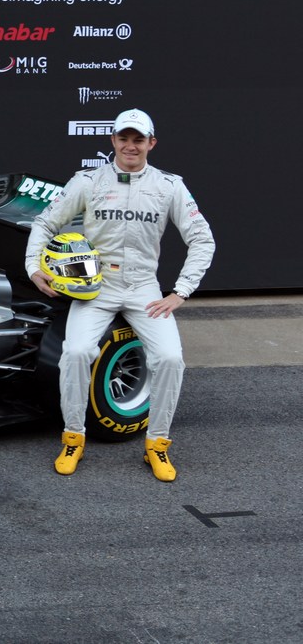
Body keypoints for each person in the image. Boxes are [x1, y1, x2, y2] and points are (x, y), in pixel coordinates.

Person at [24, 109, 215, 481]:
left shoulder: (169, 186)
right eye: (124, 138)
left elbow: (202, 239)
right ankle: (73, 438)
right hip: (96, 287)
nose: (131, 145)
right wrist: (34, 267)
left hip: (145, 287)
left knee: (170, 358)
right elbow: (45, 221)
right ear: (112, 141)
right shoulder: (88, 181)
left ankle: (157, 446)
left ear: (151, 143)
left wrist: (181, 291)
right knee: (76, 352)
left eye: (138, 139)